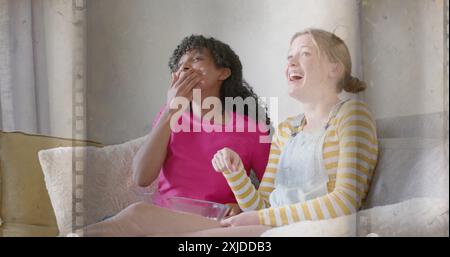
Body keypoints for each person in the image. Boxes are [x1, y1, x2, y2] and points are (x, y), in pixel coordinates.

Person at [182, 28, 379, 236]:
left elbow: (345, 203)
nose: (291, 63)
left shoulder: (353, 115)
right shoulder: (286, 130)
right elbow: (261, 205)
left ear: (334, 69)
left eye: (305, 53)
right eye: (289, 57)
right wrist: (235, 173)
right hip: (275, 227)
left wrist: (261, 218)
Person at [84, 35, 271, 236]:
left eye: (197, 59)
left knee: (136, 214)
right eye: (181, 64)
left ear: (223, 72)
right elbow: (141, 177)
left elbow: (274, 195)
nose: (187, 67)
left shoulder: (253, 130)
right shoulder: (171, 117)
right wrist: (172, 110)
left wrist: (241, 206)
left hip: (210, 224)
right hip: (162, 219)